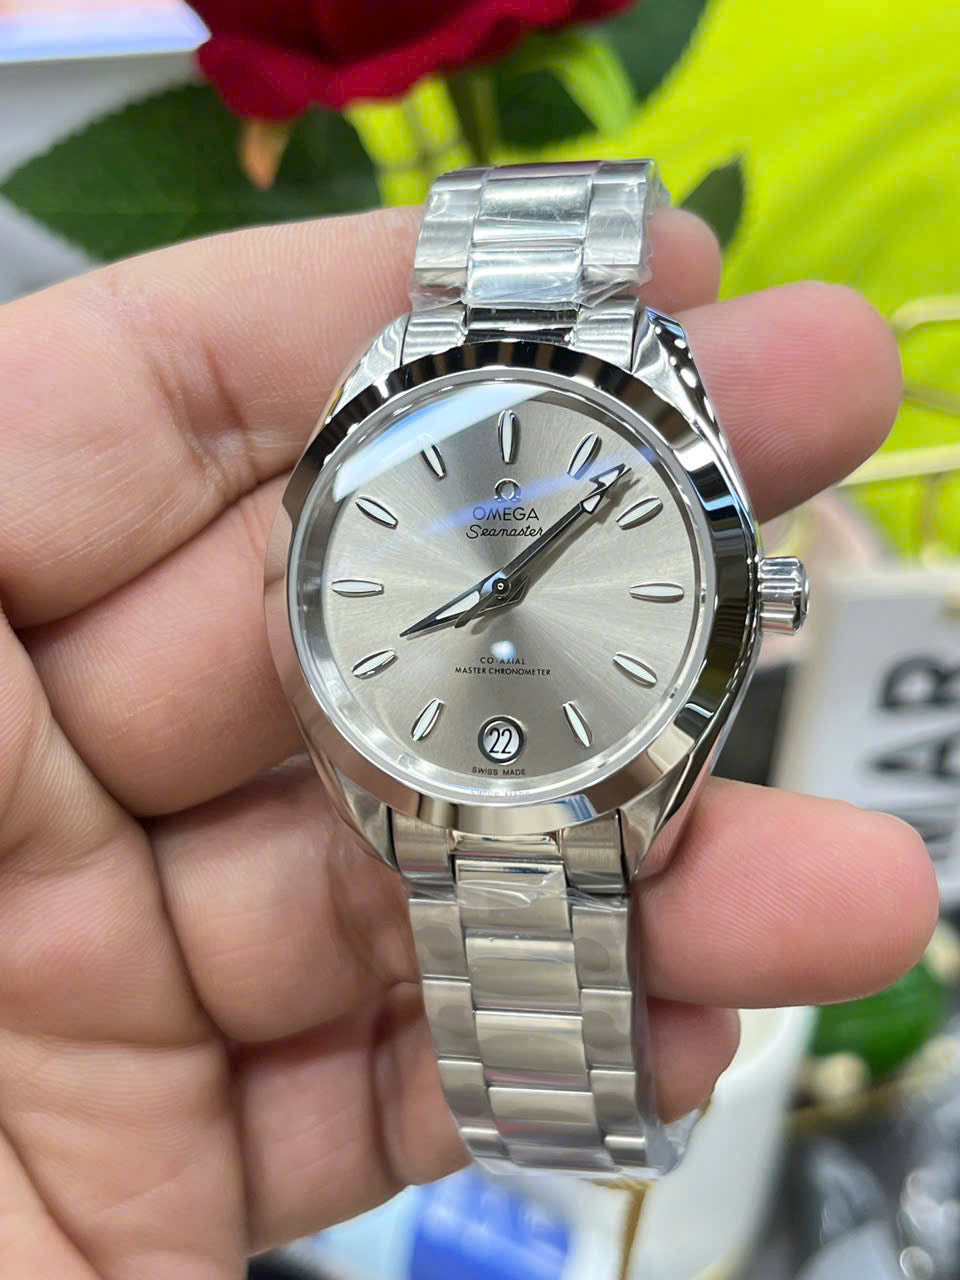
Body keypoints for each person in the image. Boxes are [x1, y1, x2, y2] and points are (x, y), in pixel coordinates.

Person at [0, 204, 938, 1277]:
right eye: (490, 587)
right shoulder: (373, 443)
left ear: (755, 595)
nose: (496, 596)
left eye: (508, 590)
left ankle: (573, 1152)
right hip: (427, 768)